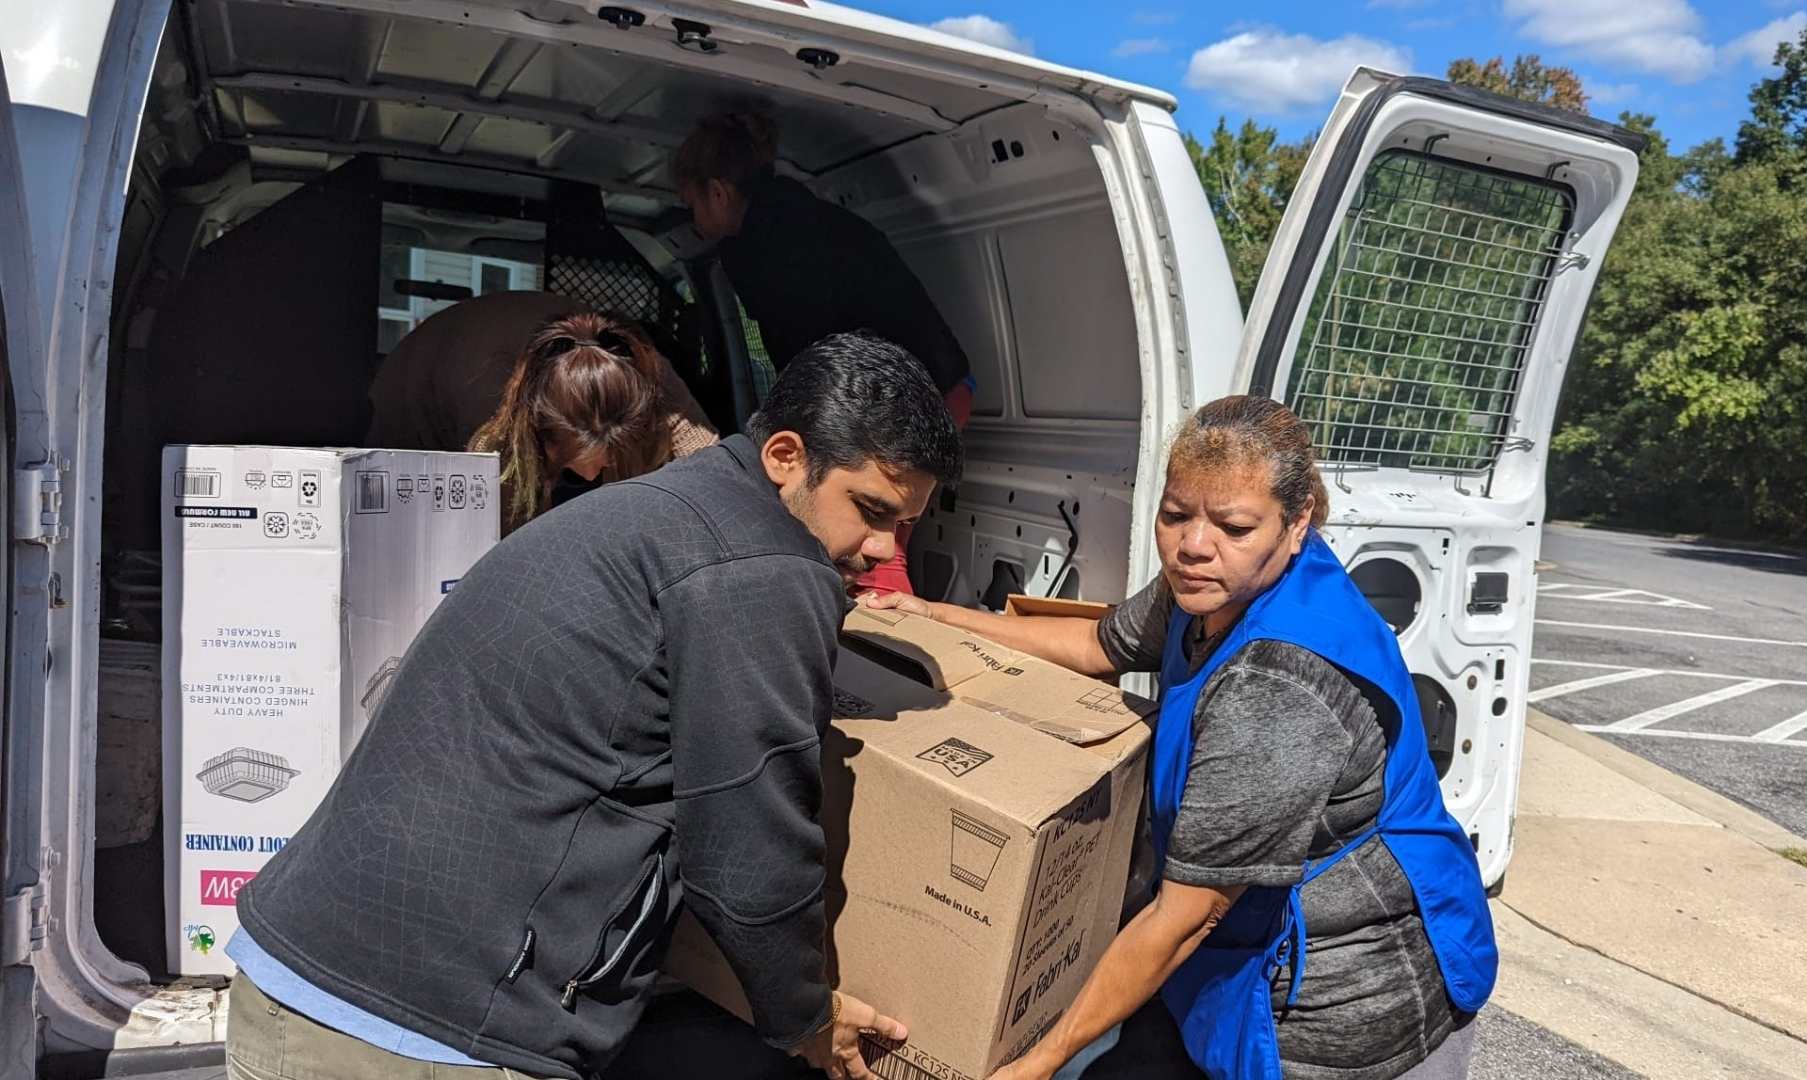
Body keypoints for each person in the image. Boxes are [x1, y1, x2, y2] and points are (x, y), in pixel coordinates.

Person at [225, 333, 965, 1080]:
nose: (880, 547)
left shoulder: (657, 510)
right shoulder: (763, 567)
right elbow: (748, 842)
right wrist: (807, 1017)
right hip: (421, 1038)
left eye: (903, 524)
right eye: (870, 509)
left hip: (296, 973)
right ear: (784, 455)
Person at [861, 396, 1495, 1080]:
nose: (1194, 545)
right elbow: (1097, 644)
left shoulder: (1277, 691)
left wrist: (1037, 1061)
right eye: (1176, 515)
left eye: (1233, 525)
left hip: (1335, 1012)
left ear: (1298, 522)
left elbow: (1184, 920)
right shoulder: (1210, 587)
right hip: (1226, 955)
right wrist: (933, 614)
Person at [672, 111, 974, 595]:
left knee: (874, 538)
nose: (696, 222)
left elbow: (812, 354)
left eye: (692, 206)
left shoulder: (768, 244)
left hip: (916, 393)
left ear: (718, 192)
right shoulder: (794, 216)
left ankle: (887, 645)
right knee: (875, 531)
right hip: (937, 382)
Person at [365, 291, 716, 470]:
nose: (594, 475)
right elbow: (503, 536)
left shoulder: (639, 364)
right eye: (575, 459)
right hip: (410, 393)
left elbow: (704, 454)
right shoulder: (491, 401)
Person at [466, 310, 719, 533]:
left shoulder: (657, 385)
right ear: (540, 431)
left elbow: (710, 479)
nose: (591, 475)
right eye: (581, 457)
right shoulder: (500, 445)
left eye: (611, 452)